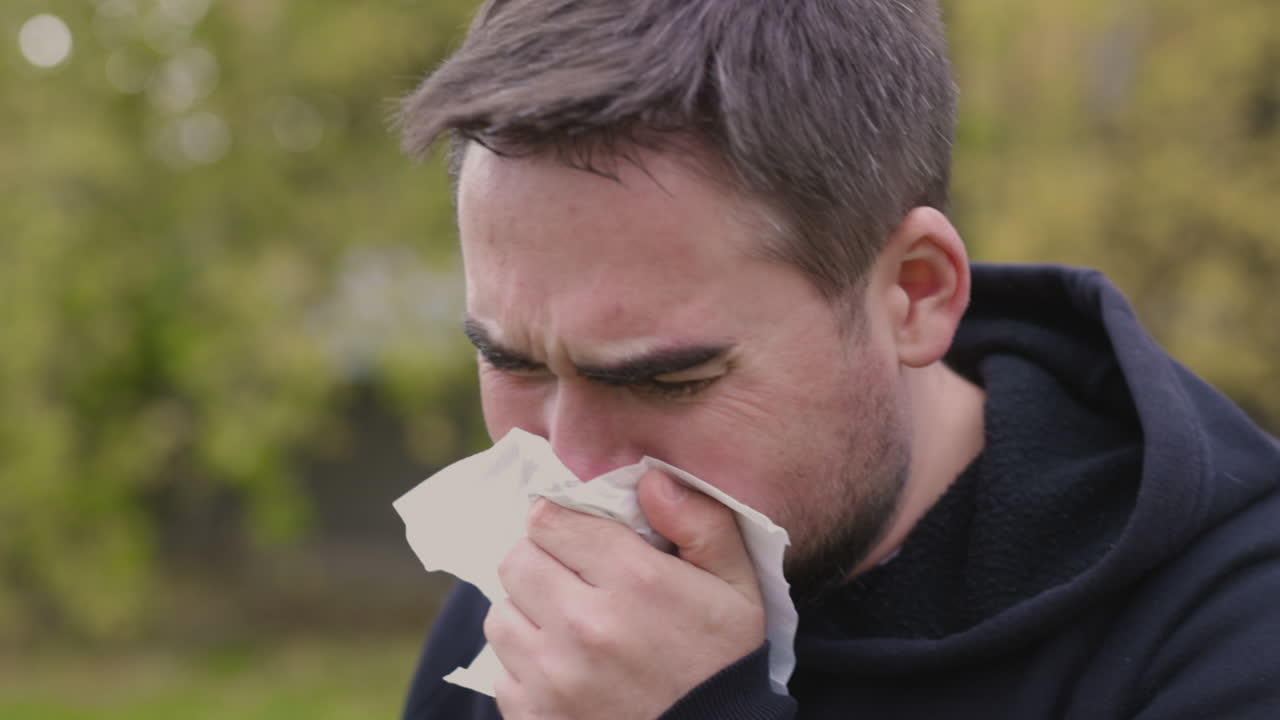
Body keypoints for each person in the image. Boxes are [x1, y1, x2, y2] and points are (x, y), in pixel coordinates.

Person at [395, 1, 1280, 718]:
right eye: (514, 363)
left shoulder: (1229, 629)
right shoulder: (546, 605)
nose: (569, 473)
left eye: (666, 380)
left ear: (915, 293)